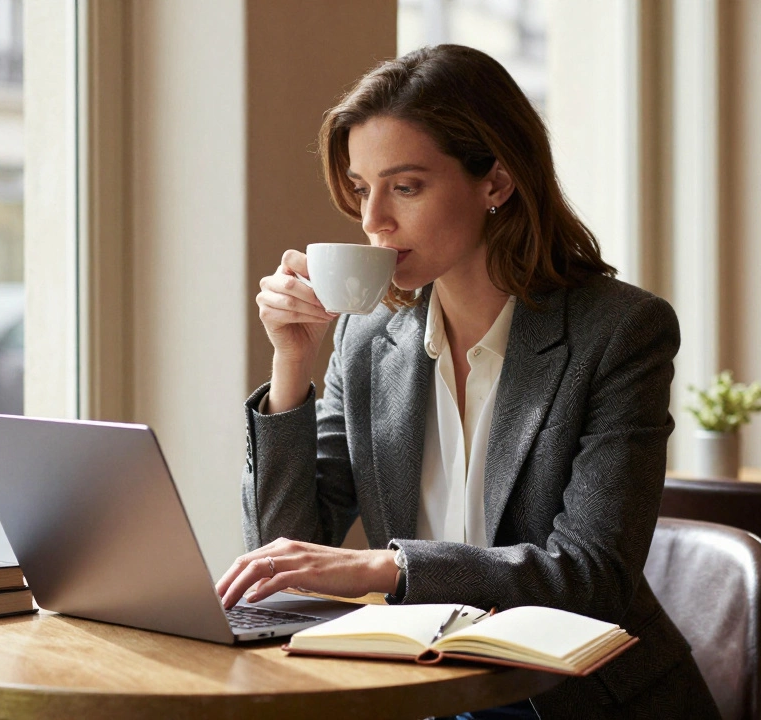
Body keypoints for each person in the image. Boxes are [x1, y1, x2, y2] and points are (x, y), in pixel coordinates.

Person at [215, 45, 720, 719]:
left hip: (567, 700)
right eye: (363, 189)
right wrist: (291, 363)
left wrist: (387, 568)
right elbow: (279, 557)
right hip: (422, 688)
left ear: (497, 182)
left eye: (407, 186)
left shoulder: (620, 332)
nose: (374, 222)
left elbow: (590, 577)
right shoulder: (367, 342)